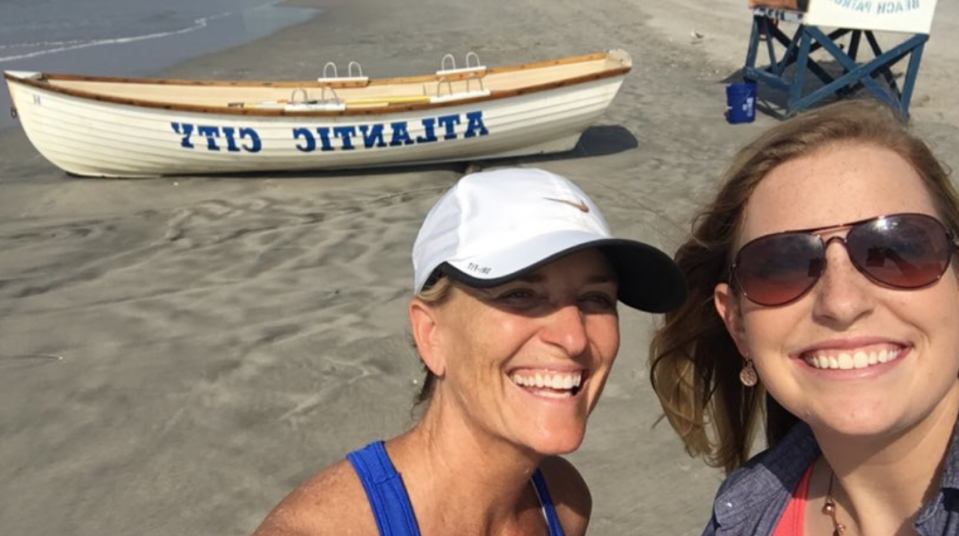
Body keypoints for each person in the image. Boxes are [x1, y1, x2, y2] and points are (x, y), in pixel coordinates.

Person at [253, 167, 686, 536]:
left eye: (595, 299)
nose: (573, 338)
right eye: (520, 295)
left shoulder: (562, 502)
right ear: (431, 334)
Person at [650, 98, 959, 535]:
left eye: (897, 250)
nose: (842, 302)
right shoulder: (742, 516)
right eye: (781, 266)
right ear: (737, 323)